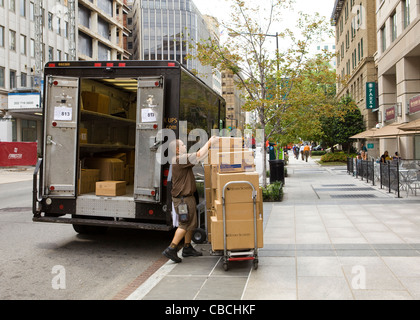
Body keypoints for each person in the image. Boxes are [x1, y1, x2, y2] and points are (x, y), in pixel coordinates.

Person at [162, 136, 219, 263]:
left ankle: (187, 247)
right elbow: (198, 154)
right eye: (182, 145)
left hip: (187, 198)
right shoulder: (179, 159)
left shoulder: (181, 159)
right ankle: (171, 248)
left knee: (190, 223)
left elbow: (200, 157)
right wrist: (209, 142)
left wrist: (210, 148)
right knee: (185, 224)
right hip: (183, 200)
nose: (185, 146)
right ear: (177, 149)